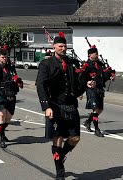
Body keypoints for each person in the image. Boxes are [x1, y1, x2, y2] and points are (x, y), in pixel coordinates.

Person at [36, 32, 88, 180]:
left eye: (65, 46)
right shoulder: (46, 64)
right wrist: (46, 106)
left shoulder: (71, 63)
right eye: (60, 46)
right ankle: (59, 170)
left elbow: (76, 87)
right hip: (54, 105)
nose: (63, 48)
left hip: (70, 105)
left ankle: (61, 156)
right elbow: (41, 85)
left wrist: (86, 85)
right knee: (58, 137)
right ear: (54, 47)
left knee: (75, 138)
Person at [0, 52, 23, 148]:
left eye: (6, 57)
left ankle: (0, 131)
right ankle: (2, 137)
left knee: (9, 116)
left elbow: (16, 77)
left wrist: (18, 82)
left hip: (10, 92)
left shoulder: (11, 68)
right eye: (3, 57)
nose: (5, 59)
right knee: (2, 113)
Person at [82, 45, 115, 137]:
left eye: (97, 53)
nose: (97, 55)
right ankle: (97, 129)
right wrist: (86, 83)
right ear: (90, 55)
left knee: (100, 109)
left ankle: (88, 121)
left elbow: (103, 76)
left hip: (100, 89)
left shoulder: (100, 64)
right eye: (95, 53)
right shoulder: (86, 65)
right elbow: (81, 77)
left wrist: (110, 76)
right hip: (91, 89)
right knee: (96, 109)